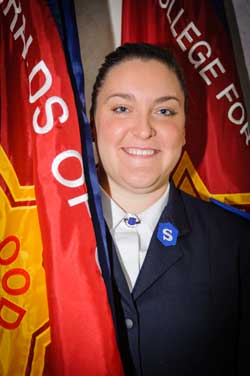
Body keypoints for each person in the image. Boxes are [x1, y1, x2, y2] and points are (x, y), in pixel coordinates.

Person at [90, 43, 250, 376]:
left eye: (164, 111)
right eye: (122, 108)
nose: (144, 129)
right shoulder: (41, 239)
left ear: (184, 130)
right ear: (92, 123)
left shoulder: (238, 244)